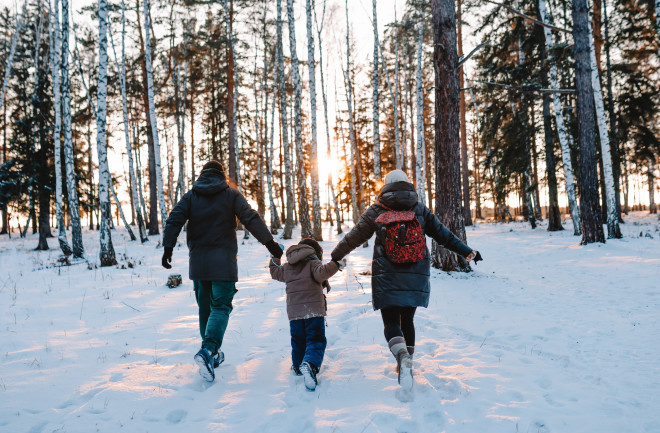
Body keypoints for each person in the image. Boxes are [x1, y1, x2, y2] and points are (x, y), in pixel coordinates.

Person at [329, 170, 482, 389]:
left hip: (386, 275)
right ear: (406, 185)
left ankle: (401, 357)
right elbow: (443, 235)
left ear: (386, 186)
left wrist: (335, 255)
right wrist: (467, 252)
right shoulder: (419, 209)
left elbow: (354, 236)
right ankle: (406, 361)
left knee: (391, 322)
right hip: (416, 274)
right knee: (407, 320)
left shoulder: (377, 210)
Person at [162, 160, 284, 382]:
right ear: (222, 176)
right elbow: (250, 218)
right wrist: (270, 244)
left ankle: (212, 354)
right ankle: (208, 351)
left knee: (205, 309)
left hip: (198, 264)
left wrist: (168, 247)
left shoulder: (191, 196)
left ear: (202, 175)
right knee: (221, 306)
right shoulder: (231, 195)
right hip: (224, 263)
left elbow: (174, 219)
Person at [269, 238, 345, 391]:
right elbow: (322, 273)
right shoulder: (313, 263)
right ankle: (310, 364)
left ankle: (298, 367)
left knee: (298, 340)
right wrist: (337, 264)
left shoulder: (287, 267)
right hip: (313, 311)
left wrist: (275, 258)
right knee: (315, 339)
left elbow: (274, 272)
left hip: (294, 313)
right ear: (315, 252)